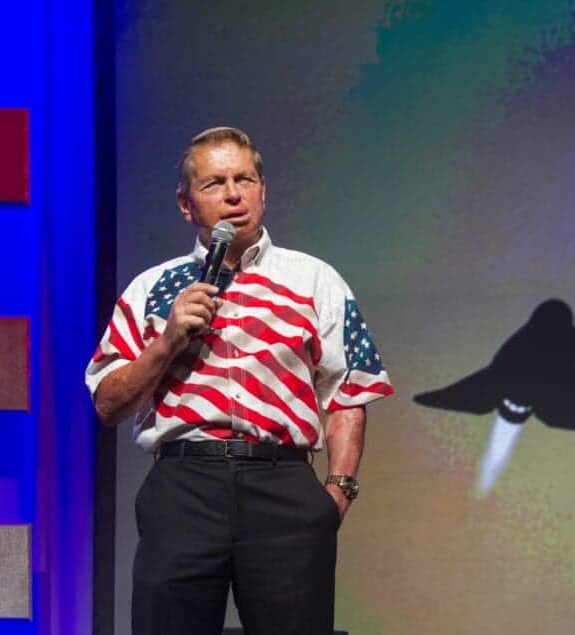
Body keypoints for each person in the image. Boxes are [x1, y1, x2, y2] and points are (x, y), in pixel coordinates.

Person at [85, 126, 393, 635]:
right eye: (214, 184)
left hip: (282, 484)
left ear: (262, 190)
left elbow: (348, 391)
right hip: (184, 485)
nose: (233, 195)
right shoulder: (153, 287)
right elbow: (107, 403)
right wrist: (165, 343)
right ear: (186, 204)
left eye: (244, 179)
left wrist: (336, 492)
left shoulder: (314, 280)